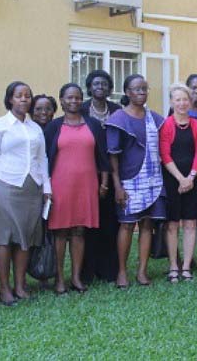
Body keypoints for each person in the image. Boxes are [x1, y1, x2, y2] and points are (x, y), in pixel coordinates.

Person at [0, 81, 51, 306]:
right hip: (5, 185)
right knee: (4, 238)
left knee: (25, 238)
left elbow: (42, 159)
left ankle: (20, 285)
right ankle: (4, 289)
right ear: (10, 99)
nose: (24, 99)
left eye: (27, 96)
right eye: (19, 95)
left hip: (32, 187)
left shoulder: (35, 128)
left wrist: (47, 189)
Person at [44, 83, 110, 294]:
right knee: (61, 232)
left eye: (78, 97)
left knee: (79, 230)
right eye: (69, 98)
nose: (74, 101)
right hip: (60, 185)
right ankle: (60, 279)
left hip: (87, 184)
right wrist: (45, 188)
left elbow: (103, 157)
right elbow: (43, 159)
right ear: (61, 100)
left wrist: (104, 182)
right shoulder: (53, 127)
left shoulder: (93, 125)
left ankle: (76, 278)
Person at [106, 74, 166, 288]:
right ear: (127, 93)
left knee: (147, 224)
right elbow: (112, 154)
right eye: (136, 89)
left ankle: (142, 271)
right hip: (128, 180)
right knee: (127, 225)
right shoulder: (118, 119)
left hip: (153, 179)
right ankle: (122, 272)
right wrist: (117, 186)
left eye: (144, 89)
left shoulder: (154, 118)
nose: (141, 93)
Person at [159, 83, 197, 283]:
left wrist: (191, 178)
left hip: (192, 179)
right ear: (171, 102)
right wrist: (180, 178)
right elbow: (165, 154)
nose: (182, 103)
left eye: (185, 99)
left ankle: (186, 267)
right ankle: (173, 266)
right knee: (172, 224)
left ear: (190, 101)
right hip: (172, 179)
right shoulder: (166, 125)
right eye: (177, 99)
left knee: (190, 223)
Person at [80, 70, 121, 283]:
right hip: (87, 170)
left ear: (109, 88)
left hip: (112, 170)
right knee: (88, 223)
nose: (100, 87)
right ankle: (87, 270)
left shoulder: (116, 110)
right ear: (89, 87)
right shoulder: (82, 109)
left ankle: (108, 270)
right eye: (95, 84)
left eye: (104, 84)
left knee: (109, 222)